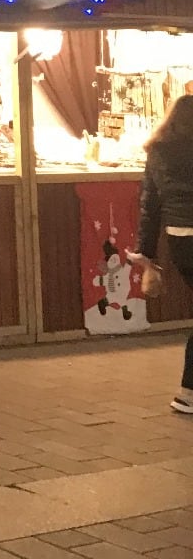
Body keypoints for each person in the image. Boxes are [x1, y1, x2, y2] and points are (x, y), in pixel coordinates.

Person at [131, 94, 193, 413]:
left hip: (179, 239)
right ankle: (188, 391)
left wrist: (147, 253)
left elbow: (149, 205)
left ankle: (188, 392)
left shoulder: (158, 150)